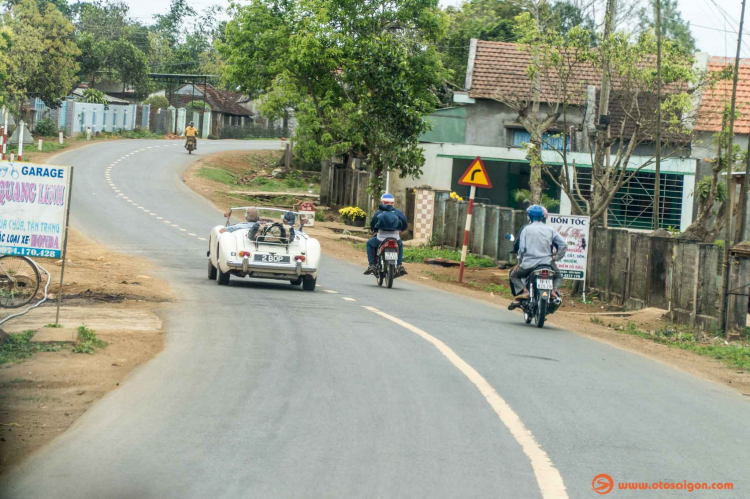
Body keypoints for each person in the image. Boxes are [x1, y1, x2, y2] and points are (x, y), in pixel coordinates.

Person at [508, 205, 567, 310]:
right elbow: (563, 244)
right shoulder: (550, 229)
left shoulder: (526, 229)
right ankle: (553, 291)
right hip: (547, 263)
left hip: (528, 264)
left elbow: (521, 250)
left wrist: (520, 262)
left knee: (513, 275)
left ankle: (524, 292)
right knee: (558, 276)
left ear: (529, 217)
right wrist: (556, 257)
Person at [364, 193, 408, 276]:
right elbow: (405, 224)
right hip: (395, 238)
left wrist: (374, 229)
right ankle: (399, 265)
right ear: (393, 203)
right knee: (400, 245)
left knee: (369, 243)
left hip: (380, 239)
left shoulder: (379, 212)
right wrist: (401, 229)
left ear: (382, 202)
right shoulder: (398, 212)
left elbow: (373, 224)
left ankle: (372, 265)